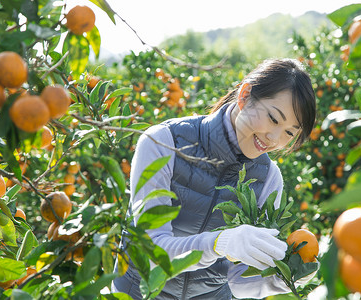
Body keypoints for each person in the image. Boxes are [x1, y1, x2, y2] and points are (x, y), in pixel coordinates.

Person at [112, 58, 317, 299]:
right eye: (273, 118)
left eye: (289, 133)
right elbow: (151, 254)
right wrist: (219, 243)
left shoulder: (268, 179)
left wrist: (284, 277)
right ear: (245, 95)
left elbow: (238, 280)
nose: (274, 138)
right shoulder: (163, 143)